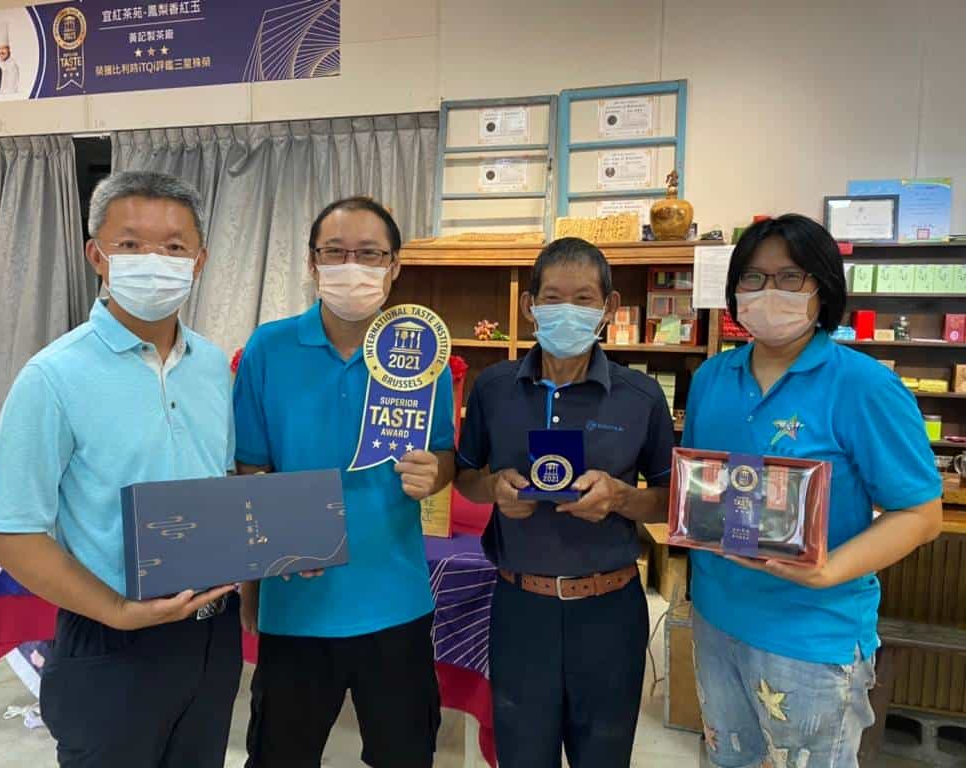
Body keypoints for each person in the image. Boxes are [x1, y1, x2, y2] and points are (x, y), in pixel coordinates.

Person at [0, 171, 242, 768]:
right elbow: (6, 532)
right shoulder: (53, 377)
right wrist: (118, 612)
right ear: (97, 255)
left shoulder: (212, 368)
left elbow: (224, 486)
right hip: (109, 640)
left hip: (211, 634)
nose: (155, 261)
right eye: (131, 244)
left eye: (174, 247)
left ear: (199, 262)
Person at [681, 214, 943, 768]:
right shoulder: (711, 378)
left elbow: (921, 515)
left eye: (789, 277)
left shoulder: (864, 384)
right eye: (752, 278)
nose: (768, 291)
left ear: (823, 289)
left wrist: (827, 570)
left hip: (810, 633)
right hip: (715, 619)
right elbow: (706, 488)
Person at [234, 196, 456, 768]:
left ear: (394, 266)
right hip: (296, 605)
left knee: (405, 755)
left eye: (369, 254)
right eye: (335, 252)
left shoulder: (422, 354)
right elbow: (249, 470)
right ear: (312, 262)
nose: (351, 266)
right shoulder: (268, 349)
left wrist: (436, 472)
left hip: (396, 601)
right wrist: (253, 586)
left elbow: (444, 454)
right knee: (280, 756)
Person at [454, 237, 675, 768]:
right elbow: (464, 477)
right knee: (521, 754)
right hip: (519, 607)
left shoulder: (641, 397)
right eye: (552, 298)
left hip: (609, 610)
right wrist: (495, 489)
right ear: (529, 306)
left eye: (583, 299)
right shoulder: (494, 388)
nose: (566, 311)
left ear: (609, 307)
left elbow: (670, 502)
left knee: (603, 755)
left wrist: (622, 498)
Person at [0, 22, 20, 94]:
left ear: (8, 49)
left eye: (4, 48)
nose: (1, 51)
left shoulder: (12, 66)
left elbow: (11, 90)